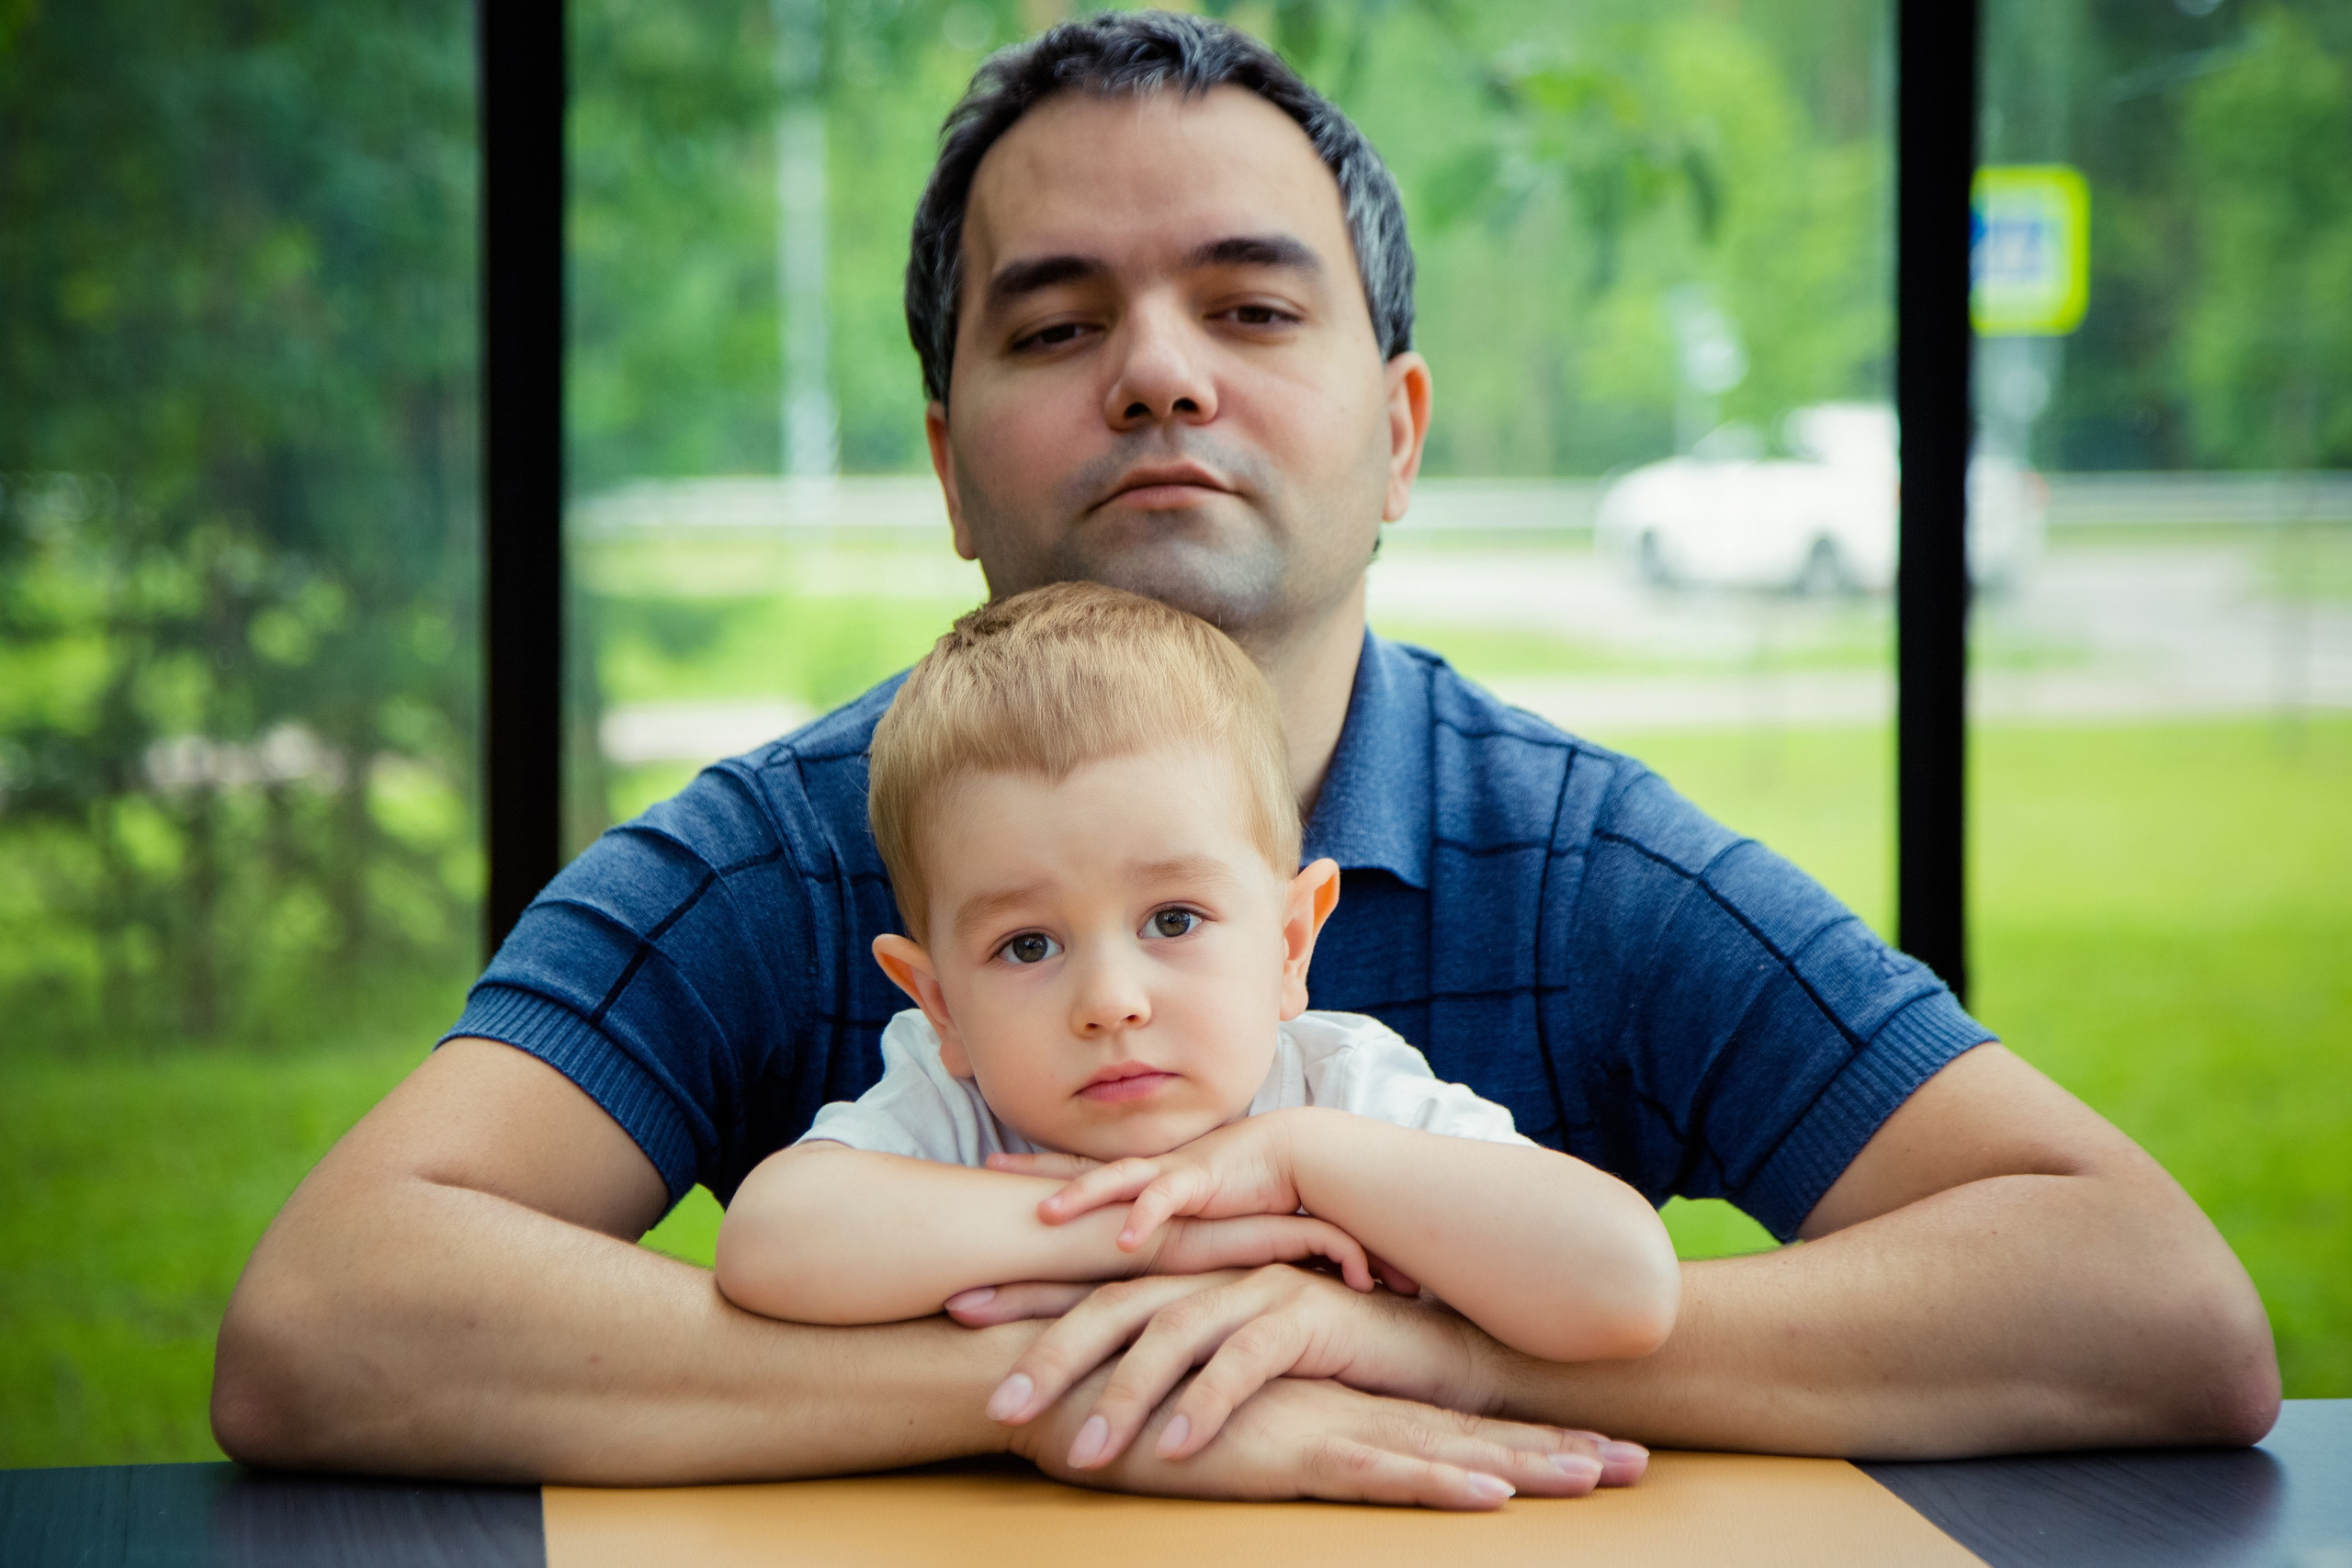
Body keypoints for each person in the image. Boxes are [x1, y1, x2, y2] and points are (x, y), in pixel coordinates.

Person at [211, 10, 2278, 1508]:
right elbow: (328, 1320)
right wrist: (1096, 1384)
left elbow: (2154, 1309)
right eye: (1052, 326)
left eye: (1249, 305)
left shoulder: (1580, 863)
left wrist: (1408, 1342)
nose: (1161, 371)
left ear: (1396, 431)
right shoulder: (775, 860)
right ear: (948, 468)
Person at [713, 584, 1680, 1489]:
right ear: (940, 1006)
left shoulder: (1337, 1091)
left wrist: (1299, 1160)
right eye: (1027, 944)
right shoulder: (950, 1106)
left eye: (1173, 920)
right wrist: (1141, 1234)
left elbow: (1624, 1285)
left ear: (1292, 941)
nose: (1110, 1000)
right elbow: (771, 1243)